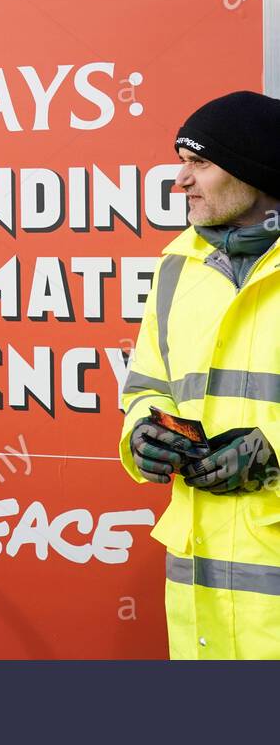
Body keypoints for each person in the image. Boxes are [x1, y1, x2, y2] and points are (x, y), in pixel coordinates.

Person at [119, 90, 280, 659]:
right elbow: (146, 387)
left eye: (199, 163)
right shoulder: (176, 265)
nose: (179, 180)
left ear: (255, 172)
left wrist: (273, 451)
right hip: (199, 593)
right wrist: (143, 434)